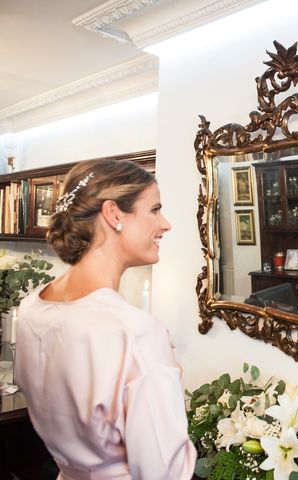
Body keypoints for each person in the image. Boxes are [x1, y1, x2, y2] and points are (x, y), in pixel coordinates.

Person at [15, 160, 196, 479]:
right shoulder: (133, 332)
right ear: (114, 214)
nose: (164, 224)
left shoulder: (31, 307)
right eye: (154, 209)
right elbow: (164, 471)